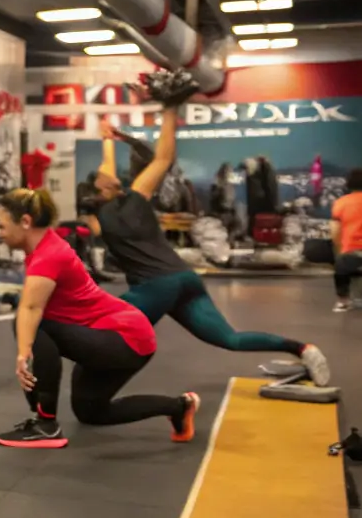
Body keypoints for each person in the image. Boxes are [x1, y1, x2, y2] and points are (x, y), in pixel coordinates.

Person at [95, 111, 330, 386]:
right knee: (230, 339)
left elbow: (110, 171)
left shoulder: (108, 210)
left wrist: (109, 140)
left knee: (102, 325)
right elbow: (153, 160)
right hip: (185, 279)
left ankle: (93, 399)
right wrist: (116, 136)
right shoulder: (137, 198)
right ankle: (303, 349)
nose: (103, 178)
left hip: (155, 286)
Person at [0, 187, 195, 449]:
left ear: (25, 222)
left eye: (1, 226)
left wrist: (23, 355)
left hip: (124, 337)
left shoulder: (48, 255)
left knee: (32, 325)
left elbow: (31, 309)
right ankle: (179, 407)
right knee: (91, 412)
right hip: (110, 336)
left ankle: (45, 424)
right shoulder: (44, 248)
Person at [331, 168, 362, 312]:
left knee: (341, 267)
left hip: (351, 251)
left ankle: (343, 301)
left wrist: (339, 252)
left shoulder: (341, 203)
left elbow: (335, 231)